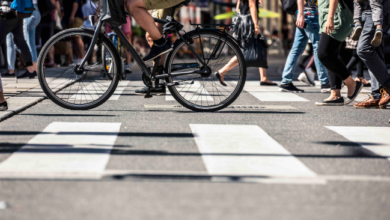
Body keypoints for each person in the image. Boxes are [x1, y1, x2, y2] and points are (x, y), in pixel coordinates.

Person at [213, 0, 277, 87]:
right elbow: (251, 6)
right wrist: (256, 24)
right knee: (243, 53)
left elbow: (237, 8)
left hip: (243, 22)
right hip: (248, 23)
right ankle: (222, 72)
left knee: (261, 47)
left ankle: (264, 77)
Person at [315, 0, 363, 106]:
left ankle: (351, 83)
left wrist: (330, 18)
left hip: (336, 16)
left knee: (324, 54)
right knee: (331, 54)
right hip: (328, 15)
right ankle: (335, 94)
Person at [279, 0, 330, 93]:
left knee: (297, 49)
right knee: (318, 47)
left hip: (305, 13)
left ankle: (286, 82)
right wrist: (301, 14)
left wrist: (300, 13)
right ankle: (325, 82)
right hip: (310, 14)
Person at [353, 0, 390, 109]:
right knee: (375, 53)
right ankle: (377, 95)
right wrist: (357, 22)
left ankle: (387, 84)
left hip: (375, 13)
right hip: (369, 14)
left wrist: (378, 25)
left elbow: (376, 4)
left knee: (363, 49)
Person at [0, 1, 35, 79]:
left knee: (20, 42)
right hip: (17, 14)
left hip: (8, 14)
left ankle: (29, 70)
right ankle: (31, 70)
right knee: (21, 42)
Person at [64, 0, 84, 65]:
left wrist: (72, 15)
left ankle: (83, 58)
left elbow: (76, 2)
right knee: (73, 39)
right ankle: (78, 59)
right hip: (68, 17)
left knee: (77, 37)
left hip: (76, 17)